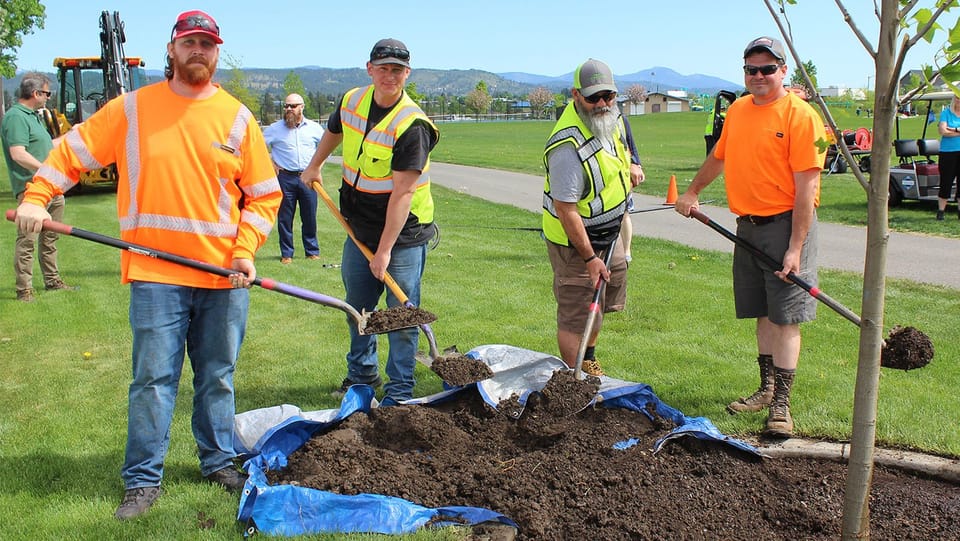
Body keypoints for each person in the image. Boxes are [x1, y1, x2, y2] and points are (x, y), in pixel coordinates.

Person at [13, 10, 281, 519]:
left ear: (217, 52)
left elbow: (264, 197)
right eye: (189, 42)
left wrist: (245, 251)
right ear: (173, 49)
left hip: (224, 277)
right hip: (156, 276)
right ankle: (142, 480)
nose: (198, 50)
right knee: (154, 381)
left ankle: (219, 460)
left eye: (207, 43)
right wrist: (37, 194)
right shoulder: (132, 109)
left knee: (217, 376)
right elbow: (71, 152)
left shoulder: (238, 118)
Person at [674, 37, 826, 437]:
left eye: (767, 69)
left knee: (786, 318)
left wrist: (795, 248)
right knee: (761, 311)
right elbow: (720, 156)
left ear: (783, 71)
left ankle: (781, 406)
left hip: (787, 226)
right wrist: (692, 192)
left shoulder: (803, 116)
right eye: (751, 69)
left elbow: (808, 188)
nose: (758, 76)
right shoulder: (739, 109)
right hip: (748, 227)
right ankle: (766, 388)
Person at [300, 38, 439, 406]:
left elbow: (403, 194)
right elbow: (334, 129)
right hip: (358, 226)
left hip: (403, 235)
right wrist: (315, 165)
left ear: (407, 73)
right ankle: (362, 377)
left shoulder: (413, 125)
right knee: (357, 309)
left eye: (397, 69)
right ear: (370, 69)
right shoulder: (352, 100)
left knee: (400, 317)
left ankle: (399, 392)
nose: (390, 75)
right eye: (384, 68)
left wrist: (384, 252)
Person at [542, 58, 632, 377]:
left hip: (609, 235)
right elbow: (566, 210)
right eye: (593, 97)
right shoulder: (567, 146)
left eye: (608, 96)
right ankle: (574, 379)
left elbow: (620, 152)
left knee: (598, 306)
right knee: (577, 315)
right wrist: (590, 258)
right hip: (576, 245)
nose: (602, 104)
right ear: (576, 95)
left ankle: (588, 360)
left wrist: (632, 166)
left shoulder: (610, 118)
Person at [1, 72, 76, 302]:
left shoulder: (34, 117)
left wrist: (71, 136)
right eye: (47, 93)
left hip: (51, 189)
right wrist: (45, 170)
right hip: (31, 191)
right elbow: (18, 153)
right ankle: (24, 290)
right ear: (35, 93)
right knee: (27, 241)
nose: (48, 98)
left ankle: (52, 281)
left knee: (50, 239)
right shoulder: (15, 117)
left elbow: (48, 146)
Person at [263, 93, 325, 263]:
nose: (289, 109)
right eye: (286, 106)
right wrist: (272, 164)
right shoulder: (275, 129)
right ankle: (287, 254)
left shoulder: (314, 128)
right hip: (285, 178)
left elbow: (325, 149)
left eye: (293, 106)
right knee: (285, 217)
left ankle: (312, 251)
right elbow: (257, 146)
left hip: (307, 178)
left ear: (302, 107)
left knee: (309, 216)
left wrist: (317, 168)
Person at [619, 115, 645, 265]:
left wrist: (636, 164)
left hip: (622, 175)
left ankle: (626, 251)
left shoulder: (621, 119)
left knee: (624, 214)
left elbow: (631, 144)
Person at [935, 95, 960, 221]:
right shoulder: (946, 113)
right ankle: (941, 211)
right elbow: (943, 131)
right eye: (957, 98)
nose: (959, 101)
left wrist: (954, 129)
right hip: (948, 152)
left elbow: (948, 130)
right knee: (946, 181)